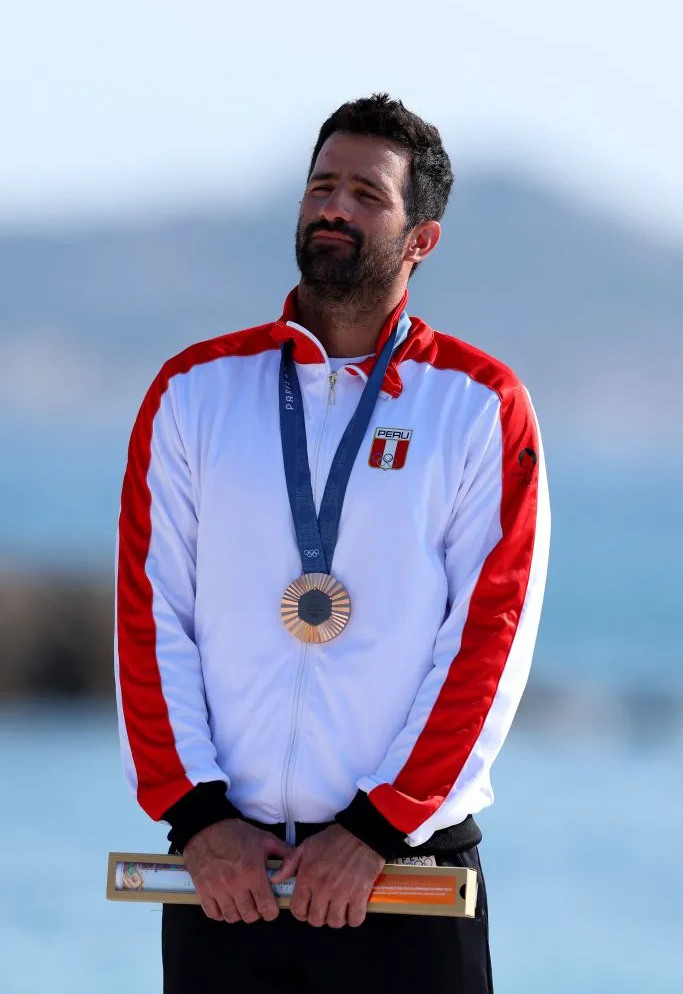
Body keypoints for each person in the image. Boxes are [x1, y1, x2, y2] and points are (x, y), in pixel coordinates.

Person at [114, 93, 550, 994]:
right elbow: (150, 616)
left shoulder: (477, 404)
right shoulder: (194, 392)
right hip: (225, 874)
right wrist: (197, 819)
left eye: (366, 194)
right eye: (321, 186)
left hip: (403, 875)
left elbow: (487, 637)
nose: (333, 208)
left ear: (419, 239)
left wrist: (378, 830)